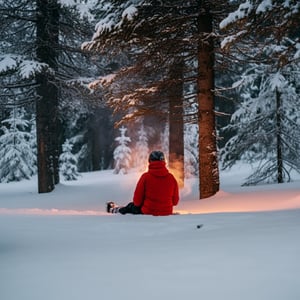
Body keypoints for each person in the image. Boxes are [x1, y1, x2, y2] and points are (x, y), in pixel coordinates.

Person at [106, 150, 179, 216]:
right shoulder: (171, 178)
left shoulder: (146, 177)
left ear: (150, 161)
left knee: (131, 206)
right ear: (164, 161)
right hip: (166, 212)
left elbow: (137, 201)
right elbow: (175, 202)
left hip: (148, 212)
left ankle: (115, 210)